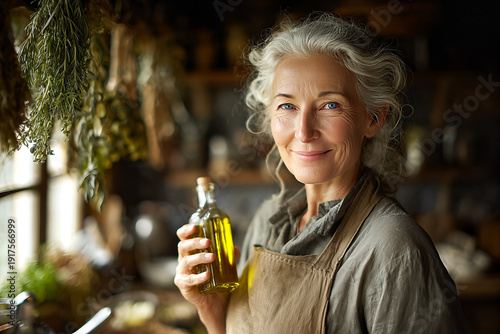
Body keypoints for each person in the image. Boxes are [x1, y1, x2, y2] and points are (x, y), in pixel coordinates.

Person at [175, 12, 470, 333]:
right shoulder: (267, 222)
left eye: (330, 105)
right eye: (287, 106)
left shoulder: (393, 249)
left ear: (373, 118)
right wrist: (213, 311)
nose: (304, 131)